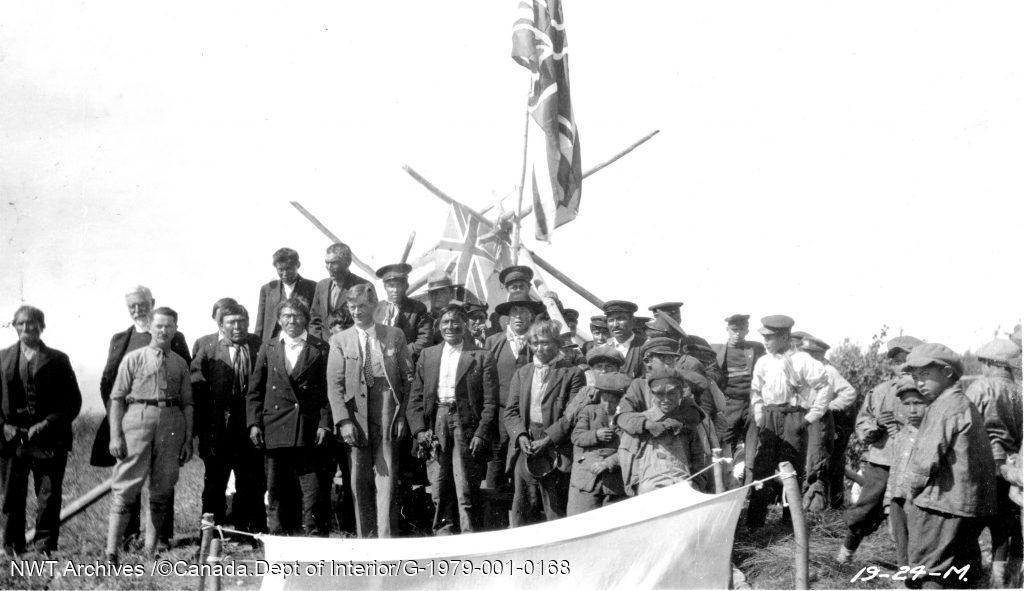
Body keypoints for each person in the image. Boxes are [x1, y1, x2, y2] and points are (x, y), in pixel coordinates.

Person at [91, 286, 191, 548]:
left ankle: (158, 540)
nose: (138, 310)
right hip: (133, 417)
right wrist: (121, 422)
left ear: (153, 303)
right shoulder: (121, 339)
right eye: (132, 306)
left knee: (163, 481)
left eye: (142, 304)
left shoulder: (175, 338)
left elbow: (186, 383)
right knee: (127, 483)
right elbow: (109, 382)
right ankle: (124, 540)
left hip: (168, 419)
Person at [902, 343, 996, 590]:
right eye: (915, 377)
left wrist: (911, 492)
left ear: (947, 372)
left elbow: (925, 460)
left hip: (940, 505)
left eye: (925, 375)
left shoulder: (944, 407)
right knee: (959, 571)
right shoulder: (963, 403)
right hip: (967, 507)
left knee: (928, 572)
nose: (919, 383)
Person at [326, 284, 412, 538]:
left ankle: (386, 538)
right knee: (358, 479)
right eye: (352, 307)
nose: (356, 312)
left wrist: (401, 415)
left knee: (386, 475)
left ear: (374, 307)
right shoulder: (339, 340)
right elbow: (335, 386)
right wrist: (343, 421)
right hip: (356, 412)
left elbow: (408, 378)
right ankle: (366, 538)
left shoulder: (394, 335)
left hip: (386, 406)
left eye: (362, 306)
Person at [406, 303, 498, 534]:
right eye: (445, 322)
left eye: (456, 321)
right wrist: (419, 431)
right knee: (438, 484)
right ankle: (442, 535)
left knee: (465, 486)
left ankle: (469, 536)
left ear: (465, 325)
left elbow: (490, 402)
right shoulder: (428, 355)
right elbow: (415, 399)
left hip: (465, 424)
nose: (451, 326)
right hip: (436, 422)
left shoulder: (480, 357)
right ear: (438, 326)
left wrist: (481, 432)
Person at [0, 306, 82, 556]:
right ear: (14, 326)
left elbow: (72, 402)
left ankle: (44, 547)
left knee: (48, 495)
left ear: (42, 326)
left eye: (32, 323)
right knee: (12, 496)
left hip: (49, 438)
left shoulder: (58, 359)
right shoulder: (2, 358)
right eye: (21, 324)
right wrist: (4, 426)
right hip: (11, 440)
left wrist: (46, 424)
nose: (27, 328)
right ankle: (13, 547)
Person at [247, 297, 332, 537]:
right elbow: (256, 389)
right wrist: (254, 424)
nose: (291, 321)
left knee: (312, 487)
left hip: (309, 428)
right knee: (276, 487)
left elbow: (328, 390)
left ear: (305, 318)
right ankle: (278, 535)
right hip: (275, 427)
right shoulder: (269, 347)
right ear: (279, 319)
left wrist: (325, 423)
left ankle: (314, 537)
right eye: (286, 316)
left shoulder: (320, 348)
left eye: (296, 316)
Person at [838, 335, 923, 563]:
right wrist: (875, 428)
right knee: (865, 509)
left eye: (904, 359)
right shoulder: (881, 391)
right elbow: (863, 421)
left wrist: (904, 427)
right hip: (882, 461)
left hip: (917, 463)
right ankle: (845, 554)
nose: (900, 365)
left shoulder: (926, 391)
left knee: (910, 514)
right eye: (895, 360)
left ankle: (909, 566)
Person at [745, 315, 830, 528]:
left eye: (771, 337)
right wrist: (759, 416)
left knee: (791, 471)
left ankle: (790, 526)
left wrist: (810, 417)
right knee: (762, 469)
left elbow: (824, 387)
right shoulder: (763, 362)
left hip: (794, 416)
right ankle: (754, 525)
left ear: (784, 337)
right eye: (764, 337)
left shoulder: (803, 360)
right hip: (770, 417)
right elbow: (756, 391)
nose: (766, 342)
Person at [190, 303, 266, 535]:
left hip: (249, 426)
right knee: (214, 482)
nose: (237, 326)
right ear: (221, 325)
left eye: (242, 321)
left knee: (250, 481)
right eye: (231, 322)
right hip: (217, 429)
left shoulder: (258, 344)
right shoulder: (207, 346)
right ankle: (211, 534)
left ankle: (249, 531)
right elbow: (196, 388)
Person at [504, 320, 585, 526]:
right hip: (527, 445)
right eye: (534, 343)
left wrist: (548, 439)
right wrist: (520, 435)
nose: (539, 348)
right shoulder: (523, 373)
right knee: (522, 507)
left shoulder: (572, 373)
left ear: (557, 343)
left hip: (555, 448)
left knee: (554, 509)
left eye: (545, 343)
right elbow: (511, 411)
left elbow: (571, 415)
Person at [965, 338, 1022, 587]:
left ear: (992, 363)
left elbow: (964, 422)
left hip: (982, 461)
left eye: (984, 363)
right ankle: (1000, 578)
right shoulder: (1020, 391)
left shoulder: (980, 387)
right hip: (1010, 466)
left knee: (972, 521)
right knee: (1003, 526)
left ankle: (971, 572)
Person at [482, 294, 545, 495]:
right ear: (508, 316)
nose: (518, 317)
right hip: (499, 412)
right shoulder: (493, 342)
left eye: (524, 313)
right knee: (497, 457)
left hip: (526, 412)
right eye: (514, 312)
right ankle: (493, 511)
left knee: (523, 457)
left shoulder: (537, 344)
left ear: (531, 317)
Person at [616, 368, 711, 495]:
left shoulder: (687, 422)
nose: (666, 399)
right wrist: (637, 488)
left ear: (681, 393)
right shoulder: (639, 424)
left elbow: (699, 457)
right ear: (652, 394)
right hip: (650, 492)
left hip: (684, 490)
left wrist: (697, 484)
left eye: (672, 393)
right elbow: (627, 458)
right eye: (659, 394)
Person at [801, 335, 858, 510]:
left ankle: (825, 507)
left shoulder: (828, 371)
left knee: (824, 464)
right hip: (812, 420)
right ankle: (818, 505)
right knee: (813, 463)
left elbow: (849, 393)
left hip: (827, 423)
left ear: (818, 354)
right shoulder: (810, 370)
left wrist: (828, 407)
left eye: (809, 353)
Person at [567, 372, 631, 515]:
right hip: (586, 478)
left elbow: (630, 448)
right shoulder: (589, 411)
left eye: (614, 401)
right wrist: (595, 435)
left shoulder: (628, 418)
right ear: (599, 396)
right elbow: (576, 436)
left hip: (615, 482)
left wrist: (608, 462)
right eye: (605, 400)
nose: (608, 405)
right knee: (579, 522)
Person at [714, 314, 766, 473]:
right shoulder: (718, 352)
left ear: (747, 330)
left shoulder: (756, 349)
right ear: (727, 330)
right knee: (725, 445)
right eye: (734, 330)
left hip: (751, 404)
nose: (737, 333)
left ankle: (749, 489)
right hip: (730, 405)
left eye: (741, 330)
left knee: (752, 448)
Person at [885, 376, 927, 569]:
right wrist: (888, 504)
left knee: (920, 547)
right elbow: (894, 473)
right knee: (902, 547)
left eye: (918, 403)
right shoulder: (901, 435)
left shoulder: (931, 434)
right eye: (907, 404)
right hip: (898, 500)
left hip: (920, 500)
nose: (912, 410)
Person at [309, 242, 370, 341]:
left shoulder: (364, 286)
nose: (328, 267)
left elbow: (368, 322)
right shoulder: (321, 286)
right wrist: (318, 343)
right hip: (324, 348)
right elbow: (314, 318)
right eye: (326, 262)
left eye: (334, 263)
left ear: (347, 262)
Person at [254, 247, 317, 342]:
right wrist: (257, 345)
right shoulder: (267, 289)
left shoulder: (313, 287)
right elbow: (260, 322)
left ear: (298, 265)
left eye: (288, 269)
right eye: (280, 269)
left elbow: (315, 319)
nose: (285, 273)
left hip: (302, 341)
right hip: (273, 343)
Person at [376, 263, 433, 363]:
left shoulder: (418, 308)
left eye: (399, 285)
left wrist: (401, 354)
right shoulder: (376, 309)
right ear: (385, 286)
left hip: (408, 363)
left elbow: (424, 339)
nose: (395, 290)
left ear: (405, 286)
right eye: (391, 286)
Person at [603, 300, 646, 378]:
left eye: (620, 319)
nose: (615, 325)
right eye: (611, 320)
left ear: (633, 321)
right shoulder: (603, 349)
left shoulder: (645, 347)